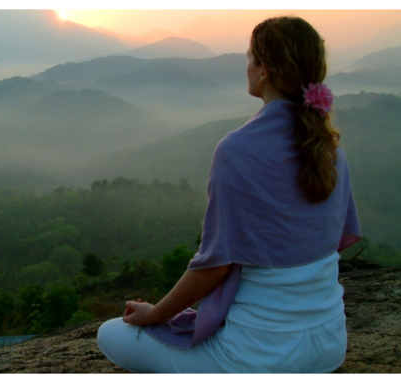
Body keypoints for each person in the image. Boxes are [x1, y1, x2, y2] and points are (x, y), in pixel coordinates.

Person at [96, 16, 362, 373]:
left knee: (110, 334)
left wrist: (156, 313)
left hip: (259, 358)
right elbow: (330, 241)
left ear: (264, 71)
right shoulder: (331, 150)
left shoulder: (238, 149)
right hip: (330, 346)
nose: (247, 66)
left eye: (250, 58)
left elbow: (215, 266)